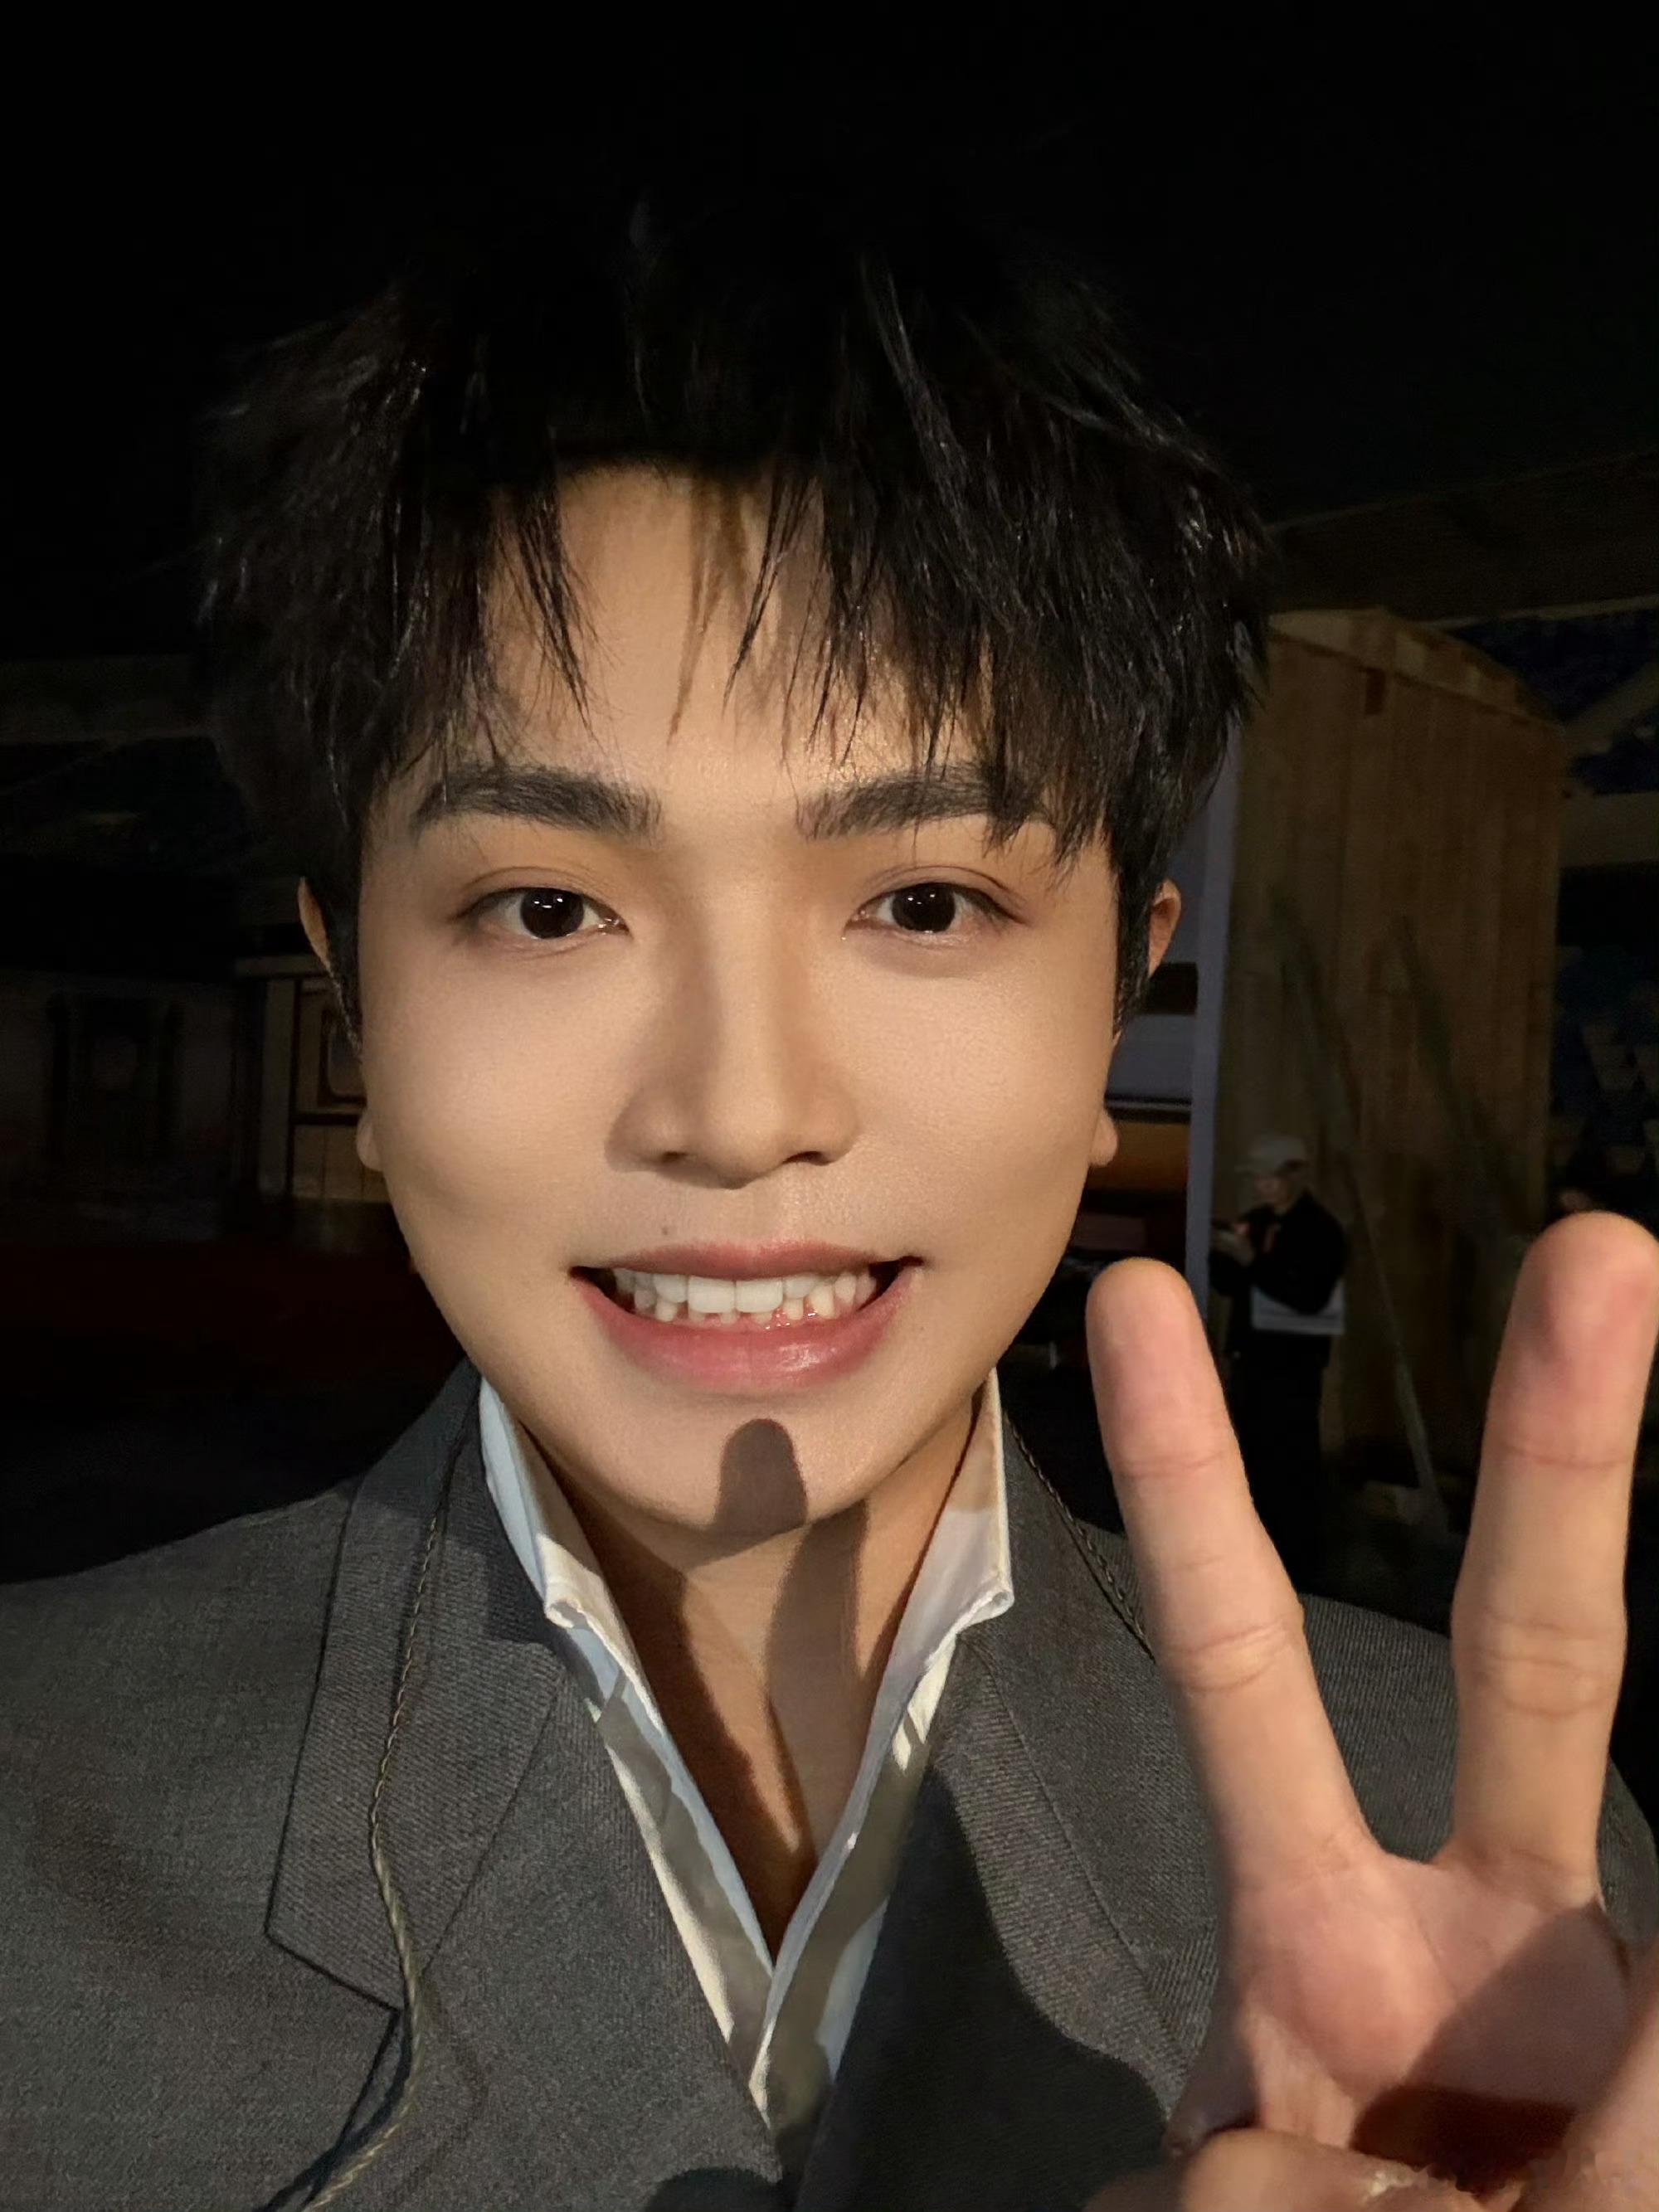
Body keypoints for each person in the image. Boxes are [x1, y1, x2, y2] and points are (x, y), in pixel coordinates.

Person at [2, 176, 1658, 2212]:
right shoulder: (33, 1814)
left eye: (922, 902)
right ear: (353, 999)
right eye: (546, 908)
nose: (739, 1111)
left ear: (1115, 999)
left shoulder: (1479, 1873)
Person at [1209, 1135, 1347, 1586]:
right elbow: (1230, 1285)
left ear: (1294, 1176)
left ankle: (1299, 1562)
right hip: (1252, 1357)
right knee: (1251, 1453)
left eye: (1271, 1177)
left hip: (1293, 1366)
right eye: (1258, 1179)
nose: (1263, 1187)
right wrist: (1225, 1252)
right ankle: (1255, 1550)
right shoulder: (1256, 1221)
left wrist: (1253, 1261)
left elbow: (1308, 1296)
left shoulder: (1320, 1230)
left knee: (1291, 1457)